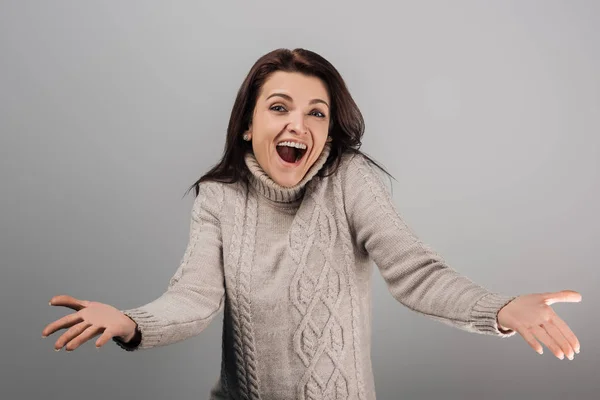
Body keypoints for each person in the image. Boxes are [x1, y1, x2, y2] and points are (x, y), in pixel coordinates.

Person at [42, 48, 582, 400]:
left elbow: (415, 272)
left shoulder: (348, 181)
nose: (298, 123)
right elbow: (193, 298)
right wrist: (133, 322)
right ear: (248, 126)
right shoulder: (219, 198)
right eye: (279, 107)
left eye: (316, 113)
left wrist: (501, 309)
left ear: (328, 130)